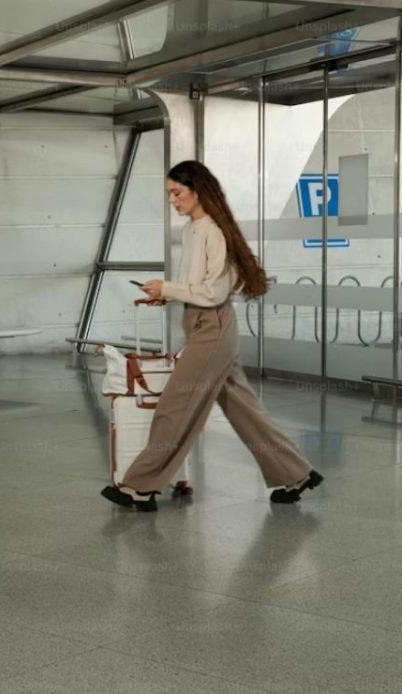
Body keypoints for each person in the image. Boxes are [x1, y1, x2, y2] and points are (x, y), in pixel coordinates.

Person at [101, 160, 323, 512]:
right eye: (169, 194)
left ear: (197, 190)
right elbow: (197, 286)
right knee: (244, 409)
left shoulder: (213, 231)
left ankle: (140, 487)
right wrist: (166, 293)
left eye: (177, 193)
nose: (172, 200)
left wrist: (169, 286)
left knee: (176, 405)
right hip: (204, 326)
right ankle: (295, 474)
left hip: (212, 329)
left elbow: (214, 293)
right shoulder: (194, 228)